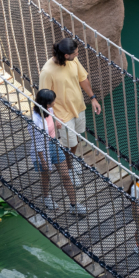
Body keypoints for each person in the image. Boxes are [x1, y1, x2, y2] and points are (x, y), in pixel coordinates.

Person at [39, 37, 101, 181]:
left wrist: (93, 98)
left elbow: (82, 78)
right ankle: (69, 167)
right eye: (75, 53)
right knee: (70, 144)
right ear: (66, 55)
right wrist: (52, 117)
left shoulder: (72, 61)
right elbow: (43, 97)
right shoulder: (47, 72)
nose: (77, 54)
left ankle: (71, 161)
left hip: (78, 107)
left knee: (76, 138)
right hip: (62, 114)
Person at [29, 89, 87, 216]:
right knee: (46, 175)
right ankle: (46, 197)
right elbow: (38, 144)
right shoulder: (35, 121)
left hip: (53, 144)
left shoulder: (49, 110)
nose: (55, 102)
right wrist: (43, 161)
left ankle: (74, 205)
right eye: (53, 101)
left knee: (65, 175)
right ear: (47, 104)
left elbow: (52, 118)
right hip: (42, 150)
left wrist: (57, 122)